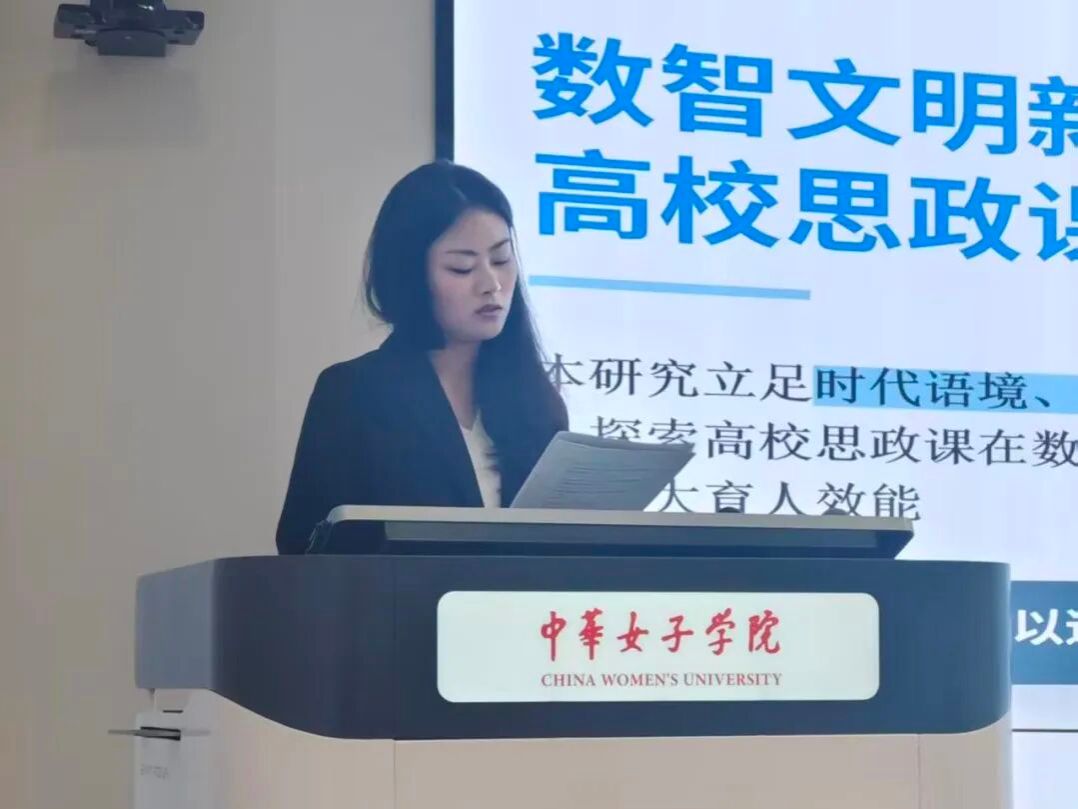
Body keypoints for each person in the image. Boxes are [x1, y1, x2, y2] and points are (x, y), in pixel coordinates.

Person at [275, 161, 568, 554]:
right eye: (462, 267)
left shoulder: (539, 404)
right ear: (411, 277)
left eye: (501, 260)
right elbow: (302, 550)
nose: (492, 285)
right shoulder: (353, 395)